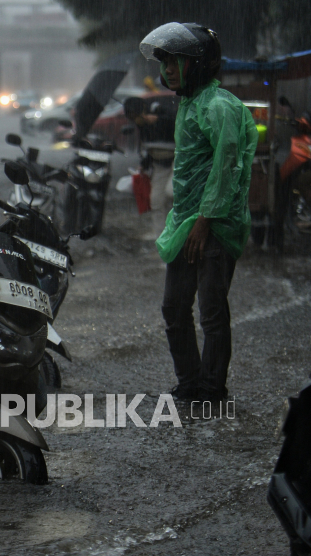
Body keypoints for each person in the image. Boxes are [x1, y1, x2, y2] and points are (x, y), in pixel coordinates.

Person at [139, 22, 258, 402]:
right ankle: (190, 382)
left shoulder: (219, 105)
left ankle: (212, 388)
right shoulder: (189, 104)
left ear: (200, 64)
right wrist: (188, 222)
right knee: (174, 308)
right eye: (166, 63)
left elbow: (227, 167)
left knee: (210, 312)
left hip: (214, 225)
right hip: (187, 223)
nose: (168, 70)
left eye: (176, 62)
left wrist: (205, 221)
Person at [123, 95, 177, 238]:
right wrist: (144, 165)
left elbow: (177, 121)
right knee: (156, 200)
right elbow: (147, 149)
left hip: (177, 162)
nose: (136, 120)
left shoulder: (161, 112)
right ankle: (161, 235)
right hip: (159, 164)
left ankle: (180, 231)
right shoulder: (143, 127)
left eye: (136, 115)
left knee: (171, 192)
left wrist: (159, 120)